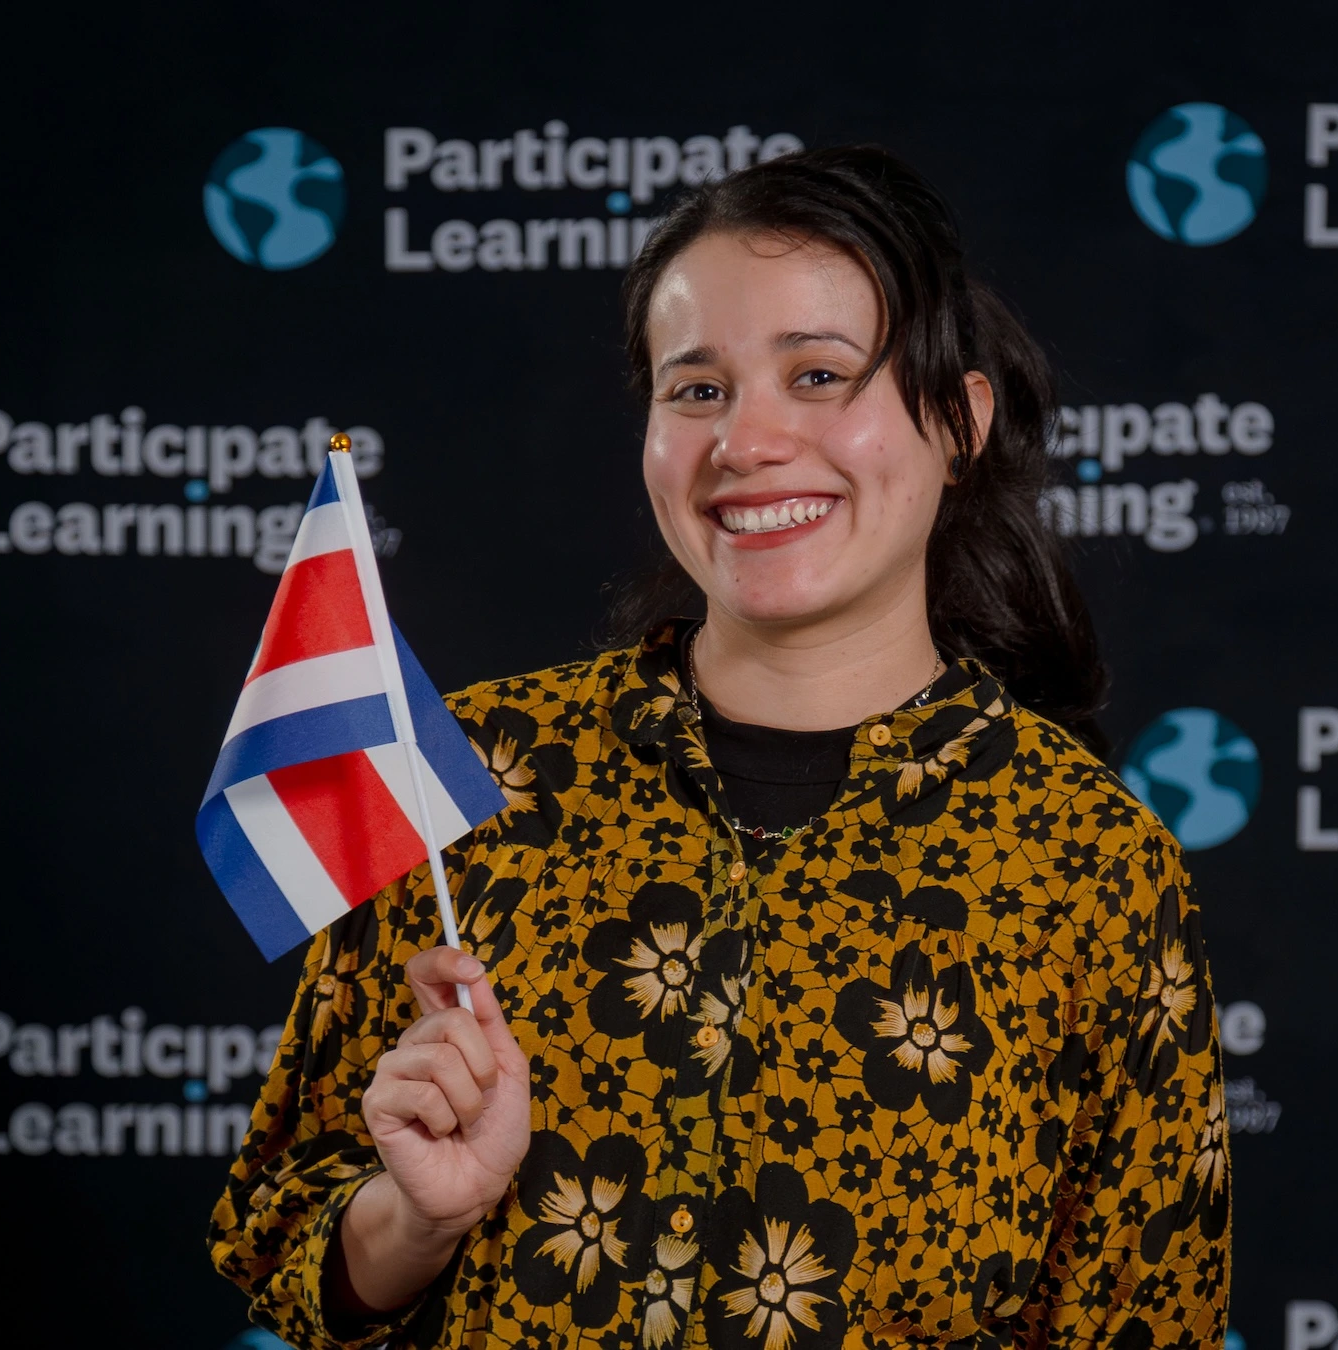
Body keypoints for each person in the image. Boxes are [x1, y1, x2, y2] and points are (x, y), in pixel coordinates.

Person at [209, 145, 1229, 1349]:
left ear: (958, 419)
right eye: (697, 390)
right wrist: (416, 1220)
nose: (746, 441)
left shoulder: (1092, 863)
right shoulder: (469, 772)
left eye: (817, 374)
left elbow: (1140, 1324)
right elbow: (283, 1238)